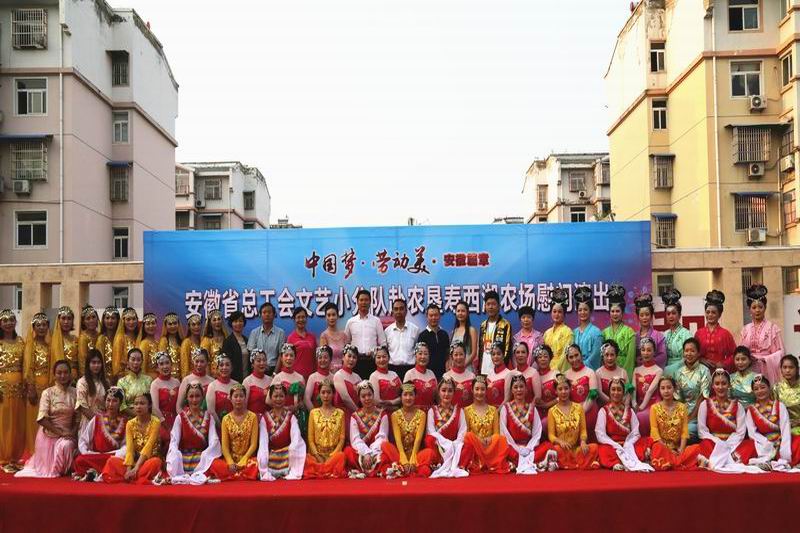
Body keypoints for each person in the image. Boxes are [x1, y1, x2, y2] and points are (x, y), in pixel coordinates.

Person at [16, 360, 78, 478]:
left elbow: (78, 417)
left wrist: (73, 432)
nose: (63, 376)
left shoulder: (75, 392)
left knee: (69, 444)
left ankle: (66, 468)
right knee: (66, 446)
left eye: (66, 372)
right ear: (54, 375)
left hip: (69, 434)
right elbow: (41, 419)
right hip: (49, 436)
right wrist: (61, 433)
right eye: (59, 373)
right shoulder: (48, 393)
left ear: (70, 374)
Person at [696, 369, 759, 473]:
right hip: (713, 444)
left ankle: (715, 461)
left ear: (729, 385)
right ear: (712, 386)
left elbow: (741, 432)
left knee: (751, 445)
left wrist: (727, 444)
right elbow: (702, 431)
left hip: (733, 444)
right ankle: (730, 460)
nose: (720, 387)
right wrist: (719, 443)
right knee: (704, 444)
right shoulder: (705, 404)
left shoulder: (738, 406)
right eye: (717, 384)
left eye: (724, 383)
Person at [539, 374, 599, 471]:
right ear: (556, 391)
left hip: (577, 449)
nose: (563, 392)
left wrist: (583, 441)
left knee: (594, 447)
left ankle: (566, 463)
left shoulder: (579, 408)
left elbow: (583, 431)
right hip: (562, 449)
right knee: (555, 449)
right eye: (560, 389)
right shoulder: (552, 411)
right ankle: (580, 463)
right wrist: (560, 442)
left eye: (566, 388)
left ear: (570, 389)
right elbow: (551, 435)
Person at [738, 374, 799, 469]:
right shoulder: (751, 410)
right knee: (746, 446)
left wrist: (783, 448)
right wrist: (767, 443)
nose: (760, 391)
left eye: (763, 387)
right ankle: (766, 460)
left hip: (781, 440)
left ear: (769, 388)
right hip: (762, 443)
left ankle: (781, 459)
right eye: (756, 389)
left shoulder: (780, 406)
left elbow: (785, 428)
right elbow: (752, 433)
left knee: (798, 441)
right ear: (753, 392)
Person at [166, 382, 220, 485]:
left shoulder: (209, 417)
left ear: (202, 397)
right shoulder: (180, 417)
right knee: (173, 459)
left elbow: (214, 441)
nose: (194, 400)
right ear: (186, 398)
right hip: (184, 458)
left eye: (197, 396)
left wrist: (206, 455)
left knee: (219, 465)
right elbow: (174, 441)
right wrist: (175, 455)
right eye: (191, 396)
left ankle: (200, 471)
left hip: (202, 457)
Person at [102, 392, 163, 484]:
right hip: (134, 462)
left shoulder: (156, 422)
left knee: (156, 462)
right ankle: (134, 477)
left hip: (148, 461)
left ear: (149, 405)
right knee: (111, 461)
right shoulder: (130, 424)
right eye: (136, 404)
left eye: (142, 403)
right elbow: (130, 449)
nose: (138, 406)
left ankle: (130, 477)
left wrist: (136, 468)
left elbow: (148, 447)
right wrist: (129, 469)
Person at [595, 377, 653, 471]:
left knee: (647, 441)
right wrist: (615, 445)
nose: (616, 393)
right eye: (613, 389)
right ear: (609, 392)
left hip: (629, 443)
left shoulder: (629, 410)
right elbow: (600, 434)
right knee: (603, 450)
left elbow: (636, 432)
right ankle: (615, 462)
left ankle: (621, 460)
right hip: (612, 445)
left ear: (623, 392)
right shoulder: (603, 411)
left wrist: (628, 444)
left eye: (619, 390)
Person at [208, 384, 260, 481]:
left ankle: (233, 475)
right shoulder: (225, 419)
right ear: (230, 399)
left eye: (241, 396)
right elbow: (225, 447)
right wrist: (230, 462)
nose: (238, 399)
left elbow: (254, 444)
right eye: (235, 396)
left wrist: (244, 459)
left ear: (245, 398)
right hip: (231, 461)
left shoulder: (253, 417)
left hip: (248, 460)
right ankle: (240, 474)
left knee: (257, 463)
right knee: (214, 464)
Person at [73, 387, 127, 481]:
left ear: (120, 403)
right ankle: (99, 472)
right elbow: (83, 440)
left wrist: (116, 454)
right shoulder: (97, 419)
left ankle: (95, 473)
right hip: (96, 456)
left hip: (113, 457)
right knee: (79, 460)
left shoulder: (125, 422)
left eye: (114, 401)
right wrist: (87, 453)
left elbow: (126, 446)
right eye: (108, 400)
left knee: (120, 461)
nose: (110, 404)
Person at [459, 375, 510, 474]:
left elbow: (497, 433)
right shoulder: (466, 410)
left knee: (501, 439)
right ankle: (478, 463)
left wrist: (490, 438)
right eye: (477, 389)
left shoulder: (493, 410)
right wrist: (478, 439)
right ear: (472, 390)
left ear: (486, 391)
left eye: (482, 389)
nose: (479, 392)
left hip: (490, 446)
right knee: (468, 436)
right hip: (475, 448)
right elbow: (466, 433)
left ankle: (491, 463)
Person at [381, 382, 433, 478]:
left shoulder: (422, 414)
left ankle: (404, 469)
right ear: (400, 397)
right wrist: (404, 461)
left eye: (411, 395)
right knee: (385, 445)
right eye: (405, 395)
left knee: (429, 452)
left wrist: (413, 460)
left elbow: (418, 440)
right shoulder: (395, 415)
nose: (408, 398)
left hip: (416, 455)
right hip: (399, 455)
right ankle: (404, 467)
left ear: (415, 396)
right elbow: (398, 440)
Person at [649, 376, 700, 471]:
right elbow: (654, 432)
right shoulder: (654, 408)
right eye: (662, 388)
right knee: (657, 447)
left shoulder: (682, 407)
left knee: (696, 448)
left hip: (677, 448)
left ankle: (671, 462)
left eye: (669, 387)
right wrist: (668, 450)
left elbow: (684, 431)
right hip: (662, 447)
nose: (666, 391)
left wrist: (681, 449)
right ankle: (678, 462)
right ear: (659, 390)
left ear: (674, 389)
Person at [258, 384, 306, 481]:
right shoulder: (265, 418)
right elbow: (263, 442)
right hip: (270, 456)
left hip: (288, 455)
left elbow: (296, 439)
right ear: (271, 398)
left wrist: (292, 451)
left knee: (308, 461)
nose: (278, 399)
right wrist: (263, 461)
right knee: (253, 464)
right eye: (275, 396)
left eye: (281, 396)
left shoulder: (291, 416)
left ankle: (291, 469)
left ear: (285, 398)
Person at [500, 374, 544, 475]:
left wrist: (528, 448)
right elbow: (504, 433)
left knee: (548, 447)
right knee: (502, 447)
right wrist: (517, 448)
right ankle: (530, 462)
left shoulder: (532, 408)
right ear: (511, 390)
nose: (519, 390)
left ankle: (517, 463)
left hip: (530, 448)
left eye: (521, 387)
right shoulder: (505, 408)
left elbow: (537, 433)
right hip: (512, 448)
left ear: (526, 389)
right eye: (515, 387)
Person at [739, 285, 784, 384]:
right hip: (749, 368)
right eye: (754, 307)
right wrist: (747, 358)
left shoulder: (773, 328)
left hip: (767, 369)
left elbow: (781, 353)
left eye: (760, 307)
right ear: (749, 309)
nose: (757, 310)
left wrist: (766, 359)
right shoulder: (745, 330)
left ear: (765, 308)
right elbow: (741, 352)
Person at [344, 381, 390, 477]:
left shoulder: (382, 414)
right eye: (363, 396)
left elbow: (382, 437)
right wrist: (366, 453)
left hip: (377, 452)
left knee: (386, 452)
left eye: (369, 395)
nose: (367, 398)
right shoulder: (355, 416)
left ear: (373, 395)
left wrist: (371, 453)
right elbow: (355, 439)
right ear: (359, 398)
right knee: (348, 451)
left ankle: (365, 469)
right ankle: (370, 468)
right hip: (361, 453)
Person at [304, 379, 347, 479]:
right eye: (323, 392)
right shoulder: (313, 413)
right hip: (317, 455)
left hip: (334, 456)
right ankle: (327, 470)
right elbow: (310, 439)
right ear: (319, 394)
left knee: (341, 456)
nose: (326, 395)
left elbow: (342, 438)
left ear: (333, 394)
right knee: (306, 458)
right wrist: (317, 456)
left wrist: (332, 455)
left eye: (329, 392)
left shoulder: (340, 413)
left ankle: (322, 470)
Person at [426, 378, 469, 478]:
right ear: (439, 392)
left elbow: (462, 431)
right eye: (443, 390)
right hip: (439, 448)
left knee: (469, 442)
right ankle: (438, 464)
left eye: (450, 391)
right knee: (429, 439)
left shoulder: (459, 411)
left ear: (454, 393)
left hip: (455, 447)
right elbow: (431, 432)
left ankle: (459, 464)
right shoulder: (432, 411)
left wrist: (454, 445)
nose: (446, 394)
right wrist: (446, 445)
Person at [1, 309, 26, 472]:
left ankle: (15, 457)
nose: (9, 323)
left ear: (15, 322)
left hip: (19, 388)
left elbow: (25, 364)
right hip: (2, 388)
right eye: (5, 320)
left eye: (11, 320)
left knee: (18, 422)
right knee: (4, 422)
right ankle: (3, 457)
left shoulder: (21, 341)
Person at [672, 338, 711, 441]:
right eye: (686, 351)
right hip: (682, 412)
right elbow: (677, 398)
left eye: (692, 351)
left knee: (687, 431)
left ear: (698, 353)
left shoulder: (704, 371)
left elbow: (703, 397)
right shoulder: (678, 372)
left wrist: (690, 418)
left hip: (698, 414)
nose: (689, 354)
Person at [344, 289, 386, 378]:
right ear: (357, 302)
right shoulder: (351, 322)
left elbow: (383, 343)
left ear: (370, 302)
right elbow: (346, 343)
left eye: (366, 300)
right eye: (361, 300)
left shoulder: (376, 321)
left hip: (372, 361)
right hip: (355, 362)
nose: (364, 302)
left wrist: (375, 352)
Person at [695, 290, 736, 373]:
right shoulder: (699, 333)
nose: (710, 315)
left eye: (713, 312)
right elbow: (693, 352)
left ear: (719, 314)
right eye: (708, 312)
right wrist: (701, 360)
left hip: (720, 372)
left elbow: (734, 354)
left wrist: (723, 364)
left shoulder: (725, 334)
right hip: (701, 372)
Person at [602, 284, 636, 379]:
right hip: (607, 372)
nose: (615, 314)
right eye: (612, 311)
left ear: (622, 312)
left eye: (617, 311)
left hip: (624, 371)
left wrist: (623, 376)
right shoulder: (604, 332)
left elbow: (630, 358)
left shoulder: (629, 332)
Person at [564, 344, 599, 435]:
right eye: (571, 357)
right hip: (570, 413)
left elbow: (593, 395)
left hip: (588, 411)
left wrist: (580, 412)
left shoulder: (590, 372)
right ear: (567, 359)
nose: (574, 359)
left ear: (581, 355)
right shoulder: (565, 375)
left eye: (576, 355)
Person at [150, 352, 180, 454]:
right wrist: (165, 423)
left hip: (176, 419)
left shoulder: (177, 382)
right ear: (157, 367)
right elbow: (154, 408)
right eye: (161, 364)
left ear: (171, 364)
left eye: (167, 363)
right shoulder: (155, 384)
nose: (165, 366)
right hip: (162, 420)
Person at [632, 337, 663, 437]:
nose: (646, 353)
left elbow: (650, 391)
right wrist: (634, 403)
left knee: (640, 416)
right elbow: (633, 390)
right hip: (639, 403)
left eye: (649, 350)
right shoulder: (636, 370)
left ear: (654, 352)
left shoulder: (658, 370)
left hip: (653, 403)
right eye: (643, 350)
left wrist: (641, 407)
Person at [478, 290, 513, 374]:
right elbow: (480, 348)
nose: (490, 307)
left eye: (493, 304)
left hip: (499, 370)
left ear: (499, 306)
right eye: (488, 304)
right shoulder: (483, 325)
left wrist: (502, 368)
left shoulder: (505, 325)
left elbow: (507, 348)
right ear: (485, 306)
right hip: (484, 368)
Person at [75, 349, 109, 434]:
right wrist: (98, 423)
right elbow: (83, 407)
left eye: (99, 362)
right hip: (88, 423)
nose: (96, 365)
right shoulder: (82, 382)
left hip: (105, 422)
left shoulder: (106, 382)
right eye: (93, 362)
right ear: (88, 364)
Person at [247, 302, 286, 375]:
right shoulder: (254, 333)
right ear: (260, 315)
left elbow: (281, 355)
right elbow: (251, 354)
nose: (267, 315)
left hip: (274, 369)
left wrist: (274, 373)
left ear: (274, 315)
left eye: (269, 312)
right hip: (257, 370)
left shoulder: (281, 333)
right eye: (264, 312)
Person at [384, 299, 419, 378]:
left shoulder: (415, 330)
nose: (398, 312)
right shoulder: (387, 331)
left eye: (401, 309)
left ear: (406, 311)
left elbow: (418, 351)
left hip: (410, 370)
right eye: (396, 309)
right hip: (392, 370)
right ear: (392, 312)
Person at [333, 345, 362, 436]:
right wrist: (359, 413)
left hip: (356, 416)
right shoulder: (338, 375)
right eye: (349, 356)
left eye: (354, 357)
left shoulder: (358, 377)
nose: (351, 359)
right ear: (343, 357)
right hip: (343, 416)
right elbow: (345, 398)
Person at [662, 289, 693, 375]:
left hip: (682, 371)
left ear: (679, 315)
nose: (671, 316)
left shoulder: (686, 334)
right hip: (665, 371)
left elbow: (690, 356)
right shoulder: (664, 334)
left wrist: (670, 369)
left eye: (674, 313)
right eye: (668, 314)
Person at [572, 287, 603, 370]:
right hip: (575, 370)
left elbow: (596, 355)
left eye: (585, 309)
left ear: (590, 310)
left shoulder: (596, 332)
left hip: (590, 371)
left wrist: (582, 365)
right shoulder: (574, 332)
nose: (582, 312)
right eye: (580, 310)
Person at [543, 288, 574, 372]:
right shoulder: (547, 333)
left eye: (560, 312)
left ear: (564, 314)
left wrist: (556, 370)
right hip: (546, 370)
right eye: (554, 311)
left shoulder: (568, 332)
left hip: (560, 372)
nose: (556, 314)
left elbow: (566, 355)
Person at [117, 348, 153, 418]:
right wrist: (137, 416)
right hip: (128, 419)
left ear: (142, 361)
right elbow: (122, 405)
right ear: (128, 361)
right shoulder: (121, 382)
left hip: (146, 418)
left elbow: (152, 402)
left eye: (138, 360)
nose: (136, 362)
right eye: (133, 359)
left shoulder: (149, 380)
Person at [417, 304, 450, 379]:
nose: (433, 318)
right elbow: (419, 356)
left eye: (436, 315)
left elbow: (448, 354)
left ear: (439, 316)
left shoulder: (444, 334)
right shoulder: (422, 336)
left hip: (443, 374)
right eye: (431, 315)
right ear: (427, 317)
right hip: (427, 374)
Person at [633, 294, 666, 369]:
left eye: (647, 314)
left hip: (654, 371)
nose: (644, 317)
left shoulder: (659, 336)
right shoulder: (634, 337)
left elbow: (663, 356)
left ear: (651, 316)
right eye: (641, 315)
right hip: (638, 370)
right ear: (638, 317)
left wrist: (648, 361)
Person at [272, 343, 306, 415]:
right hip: (281, 416)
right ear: (281, 358)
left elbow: (304, 400)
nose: (289, 358)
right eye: (286, 355)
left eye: (291, 355)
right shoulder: (277, 377)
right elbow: (268, 401)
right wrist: (285, 408)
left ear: (295, 358)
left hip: (297, 416)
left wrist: (298, 406)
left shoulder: (300, 378)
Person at [206, 353, 240, 425]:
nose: (224, 368)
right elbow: (211, 411)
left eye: (227, 365)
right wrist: (222, 426)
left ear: (231, 368)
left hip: (236, 425)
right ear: (217, 368)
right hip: (218, 425)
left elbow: (241, 407)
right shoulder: (212, 386)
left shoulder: (237, 385)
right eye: (221, 365)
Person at [773, 355, 800, 444]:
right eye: (784, 367)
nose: (787, 370)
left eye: (791, 367)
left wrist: (797, 423)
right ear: (781, 369)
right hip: (782, 428)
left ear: (797, 369)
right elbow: (774, 412)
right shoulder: (776, 388)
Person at [403, 342, 438, 409]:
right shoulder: (410, 374)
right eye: (420, 353)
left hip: (431, 412)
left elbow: (437, 396)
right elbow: (406, 399)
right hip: (415, 412)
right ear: (415, 356)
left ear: (429, 356)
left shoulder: (431, 373)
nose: (423, 357)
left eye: (425, 354)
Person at [595, 340, 629, 406]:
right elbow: (599, 393)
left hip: (621, 407)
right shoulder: (598, 373)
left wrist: (623, 405)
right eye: (606, 355)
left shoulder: (623, 372)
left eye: (612, 355)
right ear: (602, 356)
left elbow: (628, 392)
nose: (609, 358)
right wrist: (614, 404)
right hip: (603, 408)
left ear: (616, 356)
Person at [286, 307, 317, 380]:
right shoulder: (291, 338)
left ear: (306, 319)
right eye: (298, 317)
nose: (301, 319)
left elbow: (316, 357)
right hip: (295, 377)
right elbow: (287, 359)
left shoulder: (312, 337)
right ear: (294, 319)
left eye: (303, 317)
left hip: (311, 377)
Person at [443, 341, 476, 408]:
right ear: (452, 357)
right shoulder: (446, 376)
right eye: (456, 355)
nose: (459, 357)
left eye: (461, 354)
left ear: (465, 355)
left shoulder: (472, 376)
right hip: (452, 413)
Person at [51, 306, 79, 382]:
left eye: (69, 319)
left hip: (74, 378)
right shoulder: (53, 340)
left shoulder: (76, 339)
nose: (66, 322)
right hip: (59, 377)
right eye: (63, 318)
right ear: (58, 320)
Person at [319, 302, 349, 373]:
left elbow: (347, 356)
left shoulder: (344, 335)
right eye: (329, 315)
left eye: (333, 315)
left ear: (337, 316)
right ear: (325, 317)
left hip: (344, 372)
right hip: (330, 373)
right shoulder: (324, 336)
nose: (331, 318)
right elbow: (323, 358)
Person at [369, 345, 401, 410]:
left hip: (398, 411)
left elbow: (403, 394)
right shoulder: (374, 376)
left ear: (389, 358)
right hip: (382, 412)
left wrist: (392, 402)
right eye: (378, 357)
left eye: (384, 356)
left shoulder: (394, 374)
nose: (382, 360)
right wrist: (394, 405)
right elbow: (376, 401)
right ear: (375, 360)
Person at [220, 310, 249, 383]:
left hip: (247, 378)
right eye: (235, 321)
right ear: (231, 323)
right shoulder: (228, 341)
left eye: (240, 321)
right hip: (233, 380)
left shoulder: (247, 340)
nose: (238, 323)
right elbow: (225, 362)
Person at [112, 308, 139, 382]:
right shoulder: (120, 338)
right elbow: (116, 364)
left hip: (140, 378)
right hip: (125, 379)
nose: (131, 322)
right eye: (128, 319)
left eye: (133, 319)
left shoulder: (139, 337)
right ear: (123, 321)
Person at [534, 345, 559, 425]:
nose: (543, 359)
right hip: (537, 414)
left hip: (555, 413)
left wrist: (547, 405)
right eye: (540, 357)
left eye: (545, 356)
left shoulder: (556, 374)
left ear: (550, 358)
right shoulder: (534, 376)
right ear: (536, 360)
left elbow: (566, 394)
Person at [243, 349, 272, 416]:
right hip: (253, 419)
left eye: (264, 360)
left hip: (269, 418)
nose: (262, 363)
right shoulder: (247, 382)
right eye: (258, 361)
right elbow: (244, 407)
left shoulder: (271, 380)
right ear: (252, 364)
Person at [452, 300, 479, 369]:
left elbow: (474, 353)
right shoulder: (454, 331)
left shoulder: (471, 330)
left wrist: (463, 366)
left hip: (467, 368)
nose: (460, 313)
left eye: (463, 311)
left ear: (467, 313)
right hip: (455, 368)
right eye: (458, 311)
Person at [305, 346, 333, 411]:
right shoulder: (312, 377)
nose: (322, 360)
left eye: (325, 357)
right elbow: (306, 399)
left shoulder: (334, 377)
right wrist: (316, 414)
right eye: (320, 357)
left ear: (330, 359)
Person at [486, 342, 514, 407]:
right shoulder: (489, 374)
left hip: (502, 410)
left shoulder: (509, 374)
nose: (495, 357)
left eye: (498, 354)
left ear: (503, 355)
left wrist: (498, 411)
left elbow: (507, 399)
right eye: (493, 354)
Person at [157, 312, 184, 379]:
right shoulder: (164, 341)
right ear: (165, 326)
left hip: (182, 376)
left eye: (175, 323)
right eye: (170, 324)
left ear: (178, 324)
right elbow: (162, 361)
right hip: (169, 377)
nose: (173, 326)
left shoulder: (182, 341)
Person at [201, 310, 228, 378]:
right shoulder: (206, 340)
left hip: (226, 375)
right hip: (212, 377)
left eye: (219, 319)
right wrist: (209, 379)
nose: (217, 322)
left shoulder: (227, 338)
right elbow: (204, 360)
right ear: (210, 323)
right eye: (214, 320)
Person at [95, 307, 119, 381]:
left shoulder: (121, 338)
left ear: (118, 320)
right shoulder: (101, 339)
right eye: (107, 318)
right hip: (105, 378)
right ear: (103, 320)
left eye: (113, 318)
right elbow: (99, 360)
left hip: (122, 378)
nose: (110, 321)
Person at [77, 305, 100, 376]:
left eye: (93, 317)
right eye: (88, 318)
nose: (91, 320)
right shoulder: (83, 338)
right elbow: (82, 362)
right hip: (89, 376)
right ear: (83, 322)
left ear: (97, 319)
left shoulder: (100, 335)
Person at [180, 314, 204, 378]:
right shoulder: (186, 343)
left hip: (204, 377)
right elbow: (184, 366)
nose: (196, 327)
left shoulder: (204, 341)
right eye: (193, 325)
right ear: (189, 327)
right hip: (191, 378)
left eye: (198, 324)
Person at [138, 313, 159, 378]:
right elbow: (142, 368)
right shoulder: (144, 344)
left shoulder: (158, 342)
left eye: (153, 323)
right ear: (143, 327)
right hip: (149, 379)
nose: (151, 326)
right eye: (148, 324)